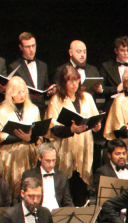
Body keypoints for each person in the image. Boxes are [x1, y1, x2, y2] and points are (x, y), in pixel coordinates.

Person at [47, 63, 101, 206]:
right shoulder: (56, 100)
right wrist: (71, 130)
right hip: (66, 148)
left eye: (76, 80)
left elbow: (94, 117)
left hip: (84, 146)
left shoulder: (87, 97)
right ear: (63, 82)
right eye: (70, 81)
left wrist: (96, 126)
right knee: (67, 186)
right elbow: (53, 129)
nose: (73, 84)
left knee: (81, 185)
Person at [21, 142, 79, 223]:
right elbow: (25, 201)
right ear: (39, 158)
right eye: (47, 161)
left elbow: (67, 201)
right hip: (40, 215)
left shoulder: (62, 176)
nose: (51, 164)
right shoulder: (29, 175)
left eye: (54, 160)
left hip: (59, 215)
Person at [0, 76, 41, 195]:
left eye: (23, 91)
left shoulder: (34, 109)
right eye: (17, 92)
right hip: (10, 154)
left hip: (29, 152)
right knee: (13, 187)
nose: (21, 94)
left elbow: (38, 133)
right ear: (10, 93)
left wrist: (29, 138)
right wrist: (22, 137)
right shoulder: (3, 110)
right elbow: (1, 136)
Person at [9, 32, 53, 111]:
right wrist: (29, 96)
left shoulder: (43, 66)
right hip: (24, 109)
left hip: (41, 109)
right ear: (21, 47)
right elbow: (13, 92)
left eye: (33, 46)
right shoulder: (14, 67)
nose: (31, 49)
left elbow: (45, 86)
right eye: (28, 47)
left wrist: (49, 91)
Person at [100, 36, 128, 101]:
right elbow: (101, 88)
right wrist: (116, 89)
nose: (125, 53)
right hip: (114, 102)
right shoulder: (106, 66)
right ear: (116, 50)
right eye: (122, 50)